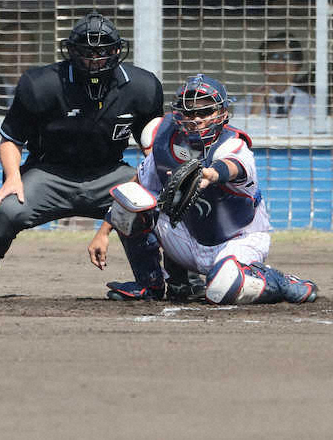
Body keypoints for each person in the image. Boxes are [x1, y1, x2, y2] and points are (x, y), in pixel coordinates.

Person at [0, 11, 205, 301]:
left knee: (165, 203)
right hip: (49, 174)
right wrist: (12, 178)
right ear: (71, 52)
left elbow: (153, 147)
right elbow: (10, 140)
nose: (95, 60)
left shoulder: (142, 86)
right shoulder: (41, 83)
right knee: (4, 210)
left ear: (117, 51)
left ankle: (184, 280)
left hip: (110, 174)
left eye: (103, 53)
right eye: (86, 53)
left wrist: (160, 180)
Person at [87, 74, 319, 305]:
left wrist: (211, 174)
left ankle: (281, 281)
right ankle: (150, 285)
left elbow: (232, 166)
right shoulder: (164, 138)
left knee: (221, 289)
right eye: (190, 112)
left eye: (205, 112)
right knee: (132, 199)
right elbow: (137, 185)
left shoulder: (233, 144)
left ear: (223, 114)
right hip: (188, 239)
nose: (196, 119)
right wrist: (103, 232)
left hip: (237, 240)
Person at [237, 32, 314, 118]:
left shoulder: (311, 104)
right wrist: (254, 111)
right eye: (274, 56)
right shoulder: (245, 104)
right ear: (263, 65)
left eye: (287, 57)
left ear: (298, 66)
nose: (280, 63)